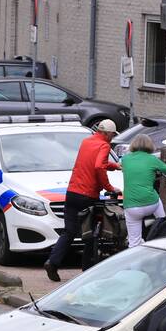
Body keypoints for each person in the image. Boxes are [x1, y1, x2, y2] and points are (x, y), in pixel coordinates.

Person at [44, 119, 122, 282]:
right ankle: (87, 271)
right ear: (106, 133)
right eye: (112, 135)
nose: (112, 139)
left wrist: (114, 166)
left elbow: (93, 162)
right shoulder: (104, 145)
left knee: (69, 231)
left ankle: (53, 262)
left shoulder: (86, 142)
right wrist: (109, 187)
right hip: (88, 195)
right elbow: (98, 166)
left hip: (72, 192)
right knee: (91, 234)